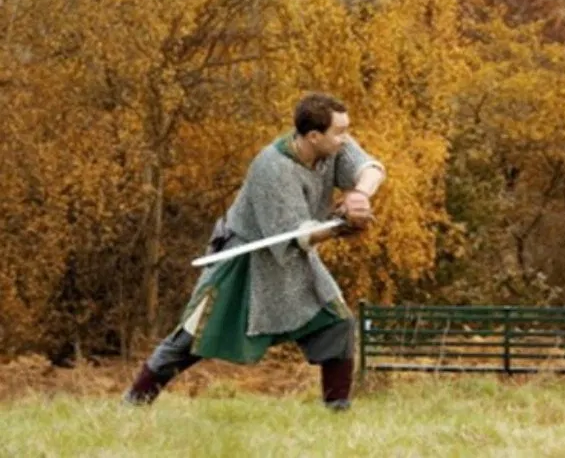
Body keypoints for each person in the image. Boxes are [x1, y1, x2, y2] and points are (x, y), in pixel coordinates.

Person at [123, 92, 386, 411]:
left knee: (338, 322)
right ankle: (134, 402)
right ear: (314, 136)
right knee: (194, 335)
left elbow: (371, 168)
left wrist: (360, 195)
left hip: (295, 260)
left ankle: (337, 409)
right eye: (339, 131)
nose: (346, 138)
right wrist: (342, 226)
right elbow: (297, 234)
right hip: (245, 262)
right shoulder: (272, 167)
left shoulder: (333, 147)